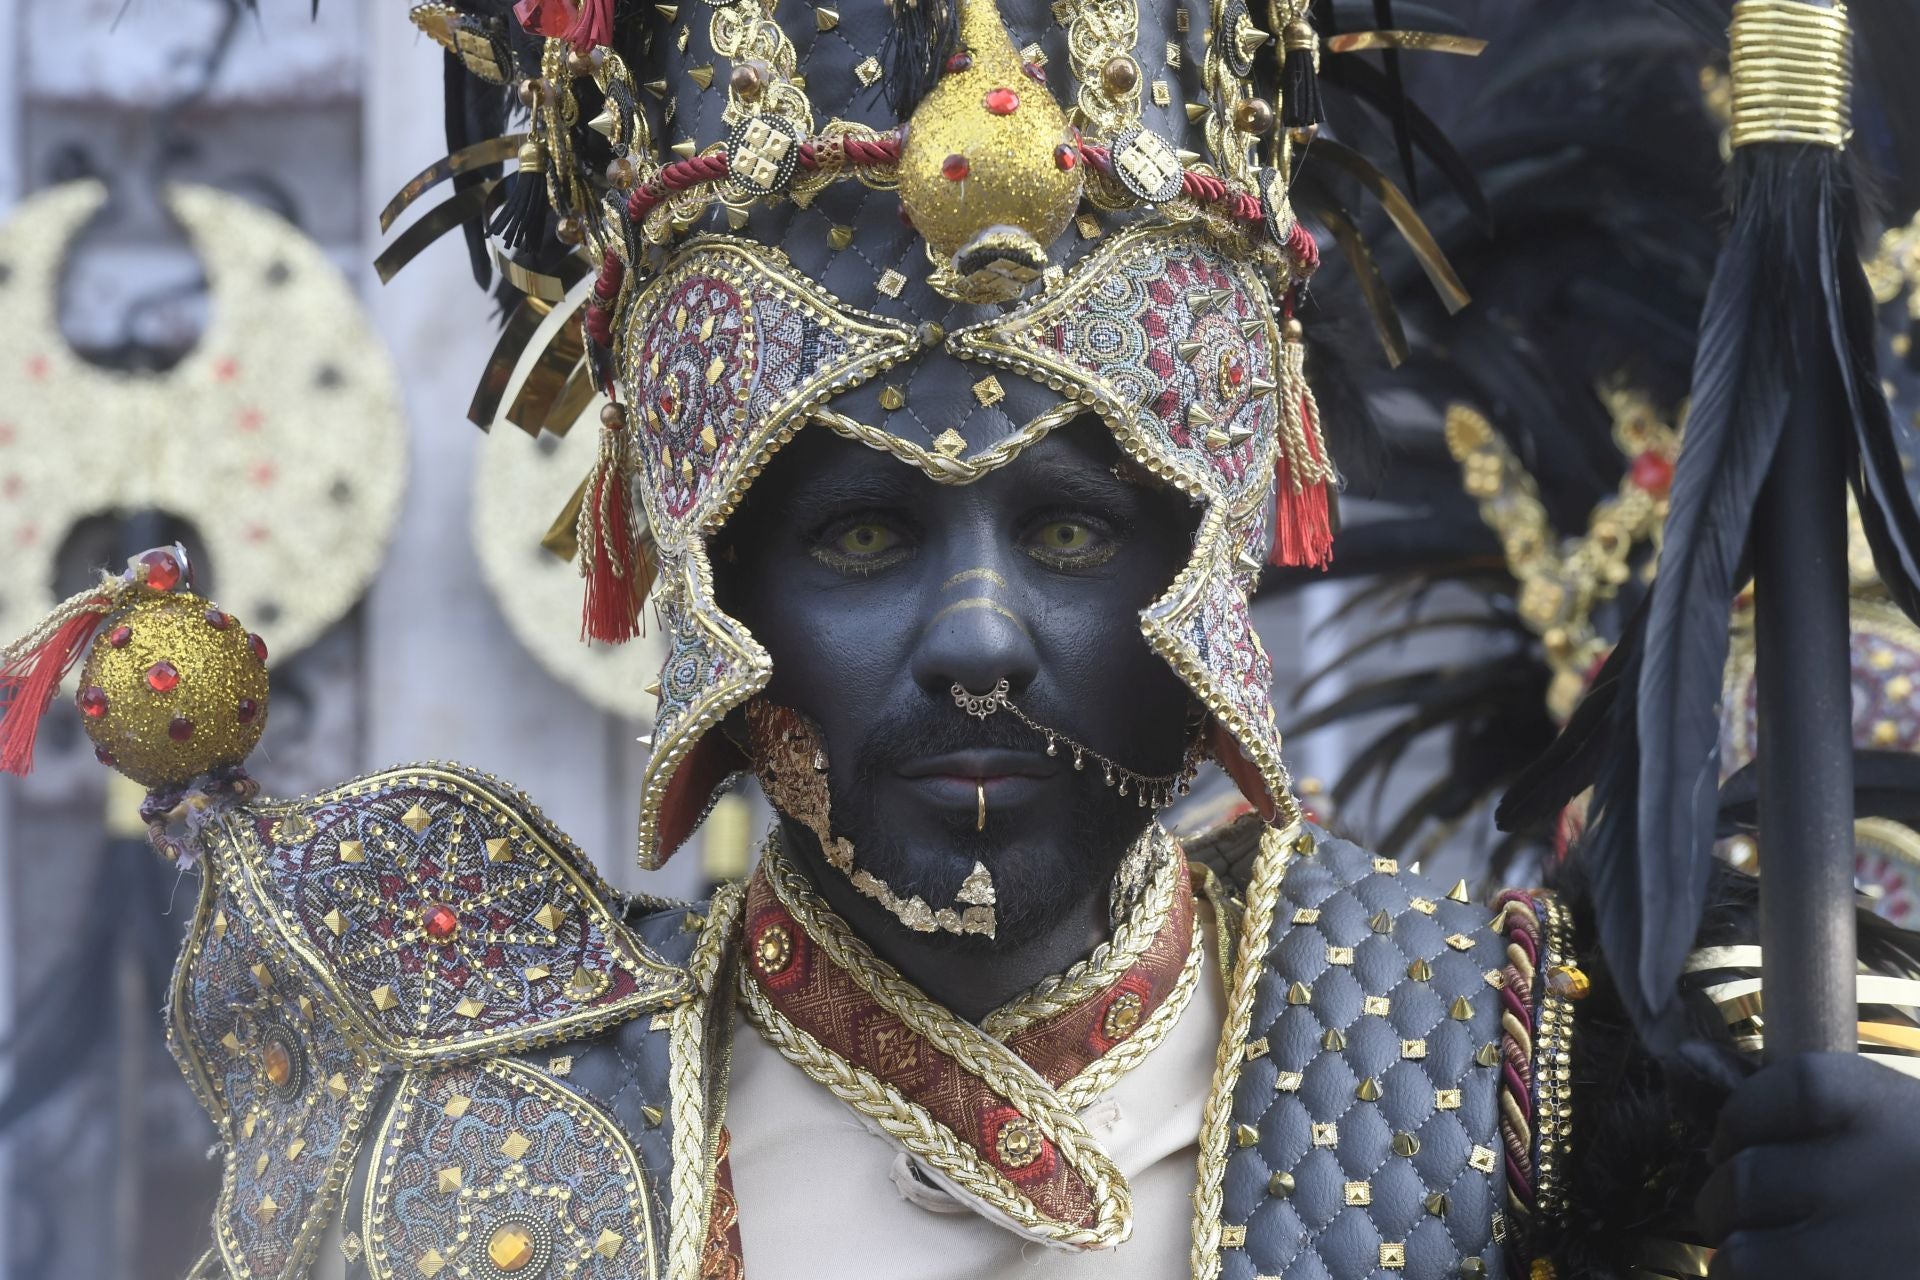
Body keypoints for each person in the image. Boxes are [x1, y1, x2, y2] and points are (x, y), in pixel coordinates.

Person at [1, 0, 1917, 1277]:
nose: (980, 636)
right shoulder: (485, 1157)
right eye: (860, 530)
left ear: (1211, 550)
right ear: (708, 591)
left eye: (1075, 526)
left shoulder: (1507, 1088)